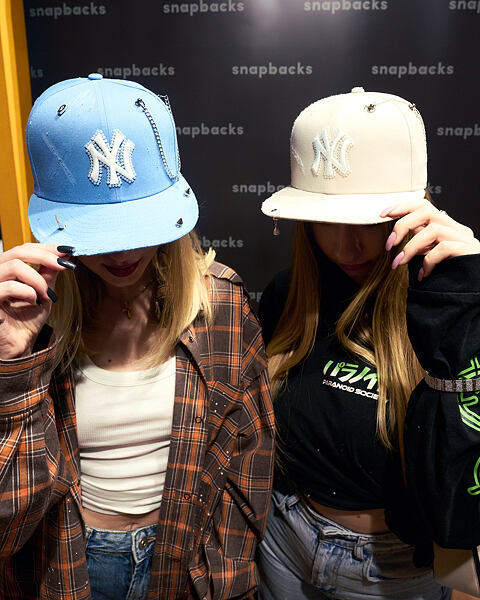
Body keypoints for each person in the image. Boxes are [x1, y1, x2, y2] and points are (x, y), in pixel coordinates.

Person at [0, 74, 275, 600]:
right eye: (97, 229)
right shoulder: (30, 317)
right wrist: (12, 366)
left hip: (183, 564)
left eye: (137, 224)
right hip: (67, 568)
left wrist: (224, 574)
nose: (121, 252)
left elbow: (249, 458)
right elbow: (7, 527)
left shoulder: (221, 303)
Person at [256, 86, 480, 599]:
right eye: (326, 220)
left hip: (395, 567)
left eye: (368, 221)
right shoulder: (288, 295)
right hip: (283, 542)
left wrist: (468, 304)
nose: (346, 245)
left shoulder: (447, 311)